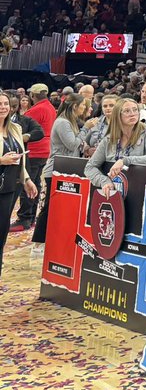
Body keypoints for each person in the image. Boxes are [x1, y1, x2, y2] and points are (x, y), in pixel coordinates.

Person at [31, 92, 90, 245]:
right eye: (83, 105)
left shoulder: (69, 121)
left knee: (59, 208)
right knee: (50, 207)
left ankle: (52, 239)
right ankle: (38, 242)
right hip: (56, 170)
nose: (84, 108)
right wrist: (86, 129)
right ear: (75, 106)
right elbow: (71, 144)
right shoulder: (63, 122)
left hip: (65, 168)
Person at [85, 97, 146, 196]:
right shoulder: (109, 139)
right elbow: (89, 167)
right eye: (127, 111)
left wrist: (124, 161)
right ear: (118, 115)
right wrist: (104, 181)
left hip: (143, 191)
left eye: (135, 110)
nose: (132, 113)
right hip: (115, 193)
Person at [0, 91, 39, 279]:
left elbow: (20, 158)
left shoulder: (15, 128)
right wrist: (1, 160)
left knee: (1, 231)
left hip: (9, 187)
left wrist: (27, 180)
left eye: (5, 103)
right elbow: (6, 159)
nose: (3, 107)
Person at [18, 82, 55, 231]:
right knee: (37, 184)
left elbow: (23, 130)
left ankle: (24, 218)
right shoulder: (51, 108)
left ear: (32, 95)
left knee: (27, 184)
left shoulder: (35, 110)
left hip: (33, 151)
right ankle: (32, 217)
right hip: (45, 150)